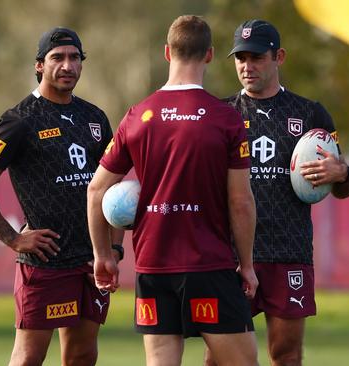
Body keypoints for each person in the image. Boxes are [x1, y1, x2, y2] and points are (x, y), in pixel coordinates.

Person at [86, 15, 259, 366]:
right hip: (209, 265)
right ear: (209, 55)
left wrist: (103, 255)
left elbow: (95, 191)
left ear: (167, 53)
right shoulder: (226, 119)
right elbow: (240, 202)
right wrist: (248, 265)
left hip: (153, 268)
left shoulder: (137, 116)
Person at [0, 27, 121, 365]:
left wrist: (112, 249)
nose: (67, 66)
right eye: (57, 58)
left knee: (82, 355)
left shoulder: (94, 117)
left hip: (91, 262)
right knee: (28, 358)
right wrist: (12, 239)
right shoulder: (19, 120)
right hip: (46, 263)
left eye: (75, 57)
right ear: (40, 66)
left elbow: (113, 189)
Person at [205, 19, 349, 366]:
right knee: (218, 358)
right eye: (240, 58)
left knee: (286, 355)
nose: (247, 66)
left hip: (289, 251)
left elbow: (344, 188)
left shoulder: (310, 114)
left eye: (257, 57)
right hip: (229, 254)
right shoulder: (220, 113)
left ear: (279, 57)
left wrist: (342, 172)